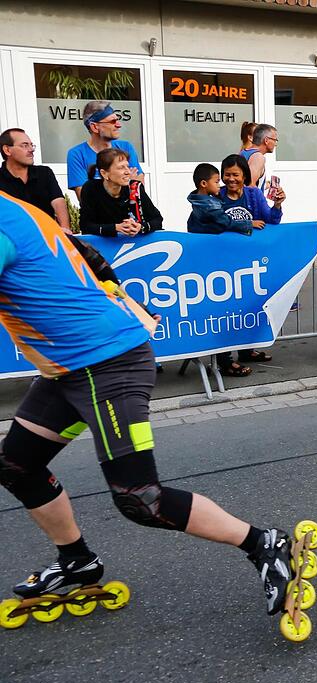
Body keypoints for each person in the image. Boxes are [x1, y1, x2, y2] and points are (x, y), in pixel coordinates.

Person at [0, 192, 300, 625]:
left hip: (107, 364)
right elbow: (81, 248)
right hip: (68, 368)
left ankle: (263, 542)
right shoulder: (16, 208)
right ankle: (76, 560)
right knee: (15, 463)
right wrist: (122, 297)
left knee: (141, 499)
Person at [214, 153, 285, 376]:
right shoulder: (216, 195)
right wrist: (247, 223)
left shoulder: (253, 195)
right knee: (225, 311)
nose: (231, 179)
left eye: (236, 175)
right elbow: (212, 224)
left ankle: (246, 350)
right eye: (227, 175)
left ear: (245, 176)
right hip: (223, 263)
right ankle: (224, 360)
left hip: (251, 263)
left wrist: (278, 204)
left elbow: (271, 220)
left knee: (250, 306)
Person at [66, 101, 144, 200]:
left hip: (130, 213)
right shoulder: (77, 154)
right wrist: (126, 184)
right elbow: (85, 198)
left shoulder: (126, 147)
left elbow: (138, 189)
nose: (119, 125)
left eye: (117, 120)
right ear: (94, 127)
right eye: (112, 121)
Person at [78, 148, 162, 237]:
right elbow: (85, 226)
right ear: (104, 173)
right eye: (121, 168)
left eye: (127, 167)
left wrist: (140, 227)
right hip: (103, 246)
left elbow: (157, 220)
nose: (128, 172)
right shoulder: (90, 189)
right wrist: (116, 228)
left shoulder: (135, 187)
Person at [0, 128, 70, 231]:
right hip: (11, 239)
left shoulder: (44, 173)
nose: (31, 149)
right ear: (7, 150)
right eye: (24, 145)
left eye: (31, 145)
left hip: (46, 237)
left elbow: (58, 201)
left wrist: (65, 229)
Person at [187, 163, 252, 236]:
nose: (218, 186)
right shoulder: (210, 206)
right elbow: (226, 222)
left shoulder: (197, 201)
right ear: (204, 184)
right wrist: (249, 224)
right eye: (216, 182)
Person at [242, 124, 277, 190]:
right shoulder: (258, 157)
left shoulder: (243, 152)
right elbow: (250, 187)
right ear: (266, 140)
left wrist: (267, 186)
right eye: (275, 140)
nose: (275, 144)